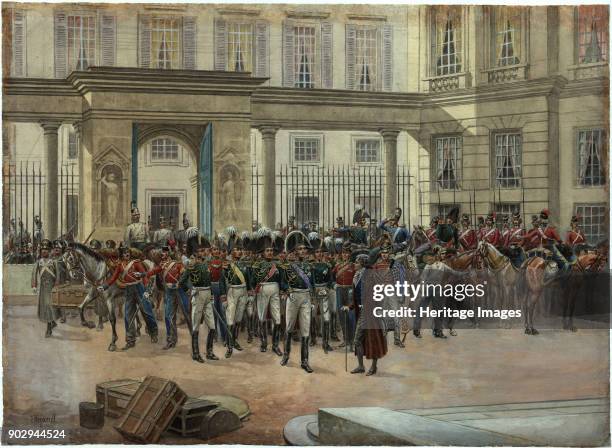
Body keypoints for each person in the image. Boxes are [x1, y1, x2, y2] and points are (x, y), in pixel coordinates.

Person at [99, 246, 158, 350]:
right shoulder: (120, 266)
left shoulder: (136, 263)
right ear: (121, 255)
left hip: (139, 288)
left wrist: (147, 291)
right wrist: (104, 286)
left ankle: (153, 333)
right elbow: (113, 278)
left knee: (147, 311)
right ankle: (130, 340)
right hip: (129, 290)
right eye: (125, 253)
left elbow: (144, 276)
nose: (127, 254)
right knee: (128, 316)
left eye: (128, 252)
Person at [280, 230, 315, 373]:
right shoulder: (287, 266)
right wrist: (287, 289)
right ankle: (286, 355)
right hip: (293, 297)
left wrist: (312, 298)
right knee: (289, 326)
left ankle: (304, 360)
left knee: (305, 329)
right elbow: (282, 282)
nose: (302, 251)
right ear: (294, 251)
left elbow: (311, 283)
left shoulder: (309, 266)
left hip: (306, 297)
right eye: (299, 249)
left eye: (304, 249)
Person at [179, 239, 219, 363]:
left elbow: (209, 282)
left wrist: (211, 294)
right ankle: (196, 353)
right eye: (200, 251)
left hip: (207, 295)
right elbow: (182, 282)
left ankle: (209, 352)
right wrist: (189, 291)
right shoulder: (191, 265)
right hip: (198, 295)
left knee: (212, 326)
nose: (203, 253)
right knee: (196, 326)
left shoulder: (207, 264)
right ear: (196, 253)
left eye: (203, 250)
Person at [351, 247, 388, 376]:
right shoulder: (357, 276)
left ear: (362, 263)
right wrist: (350, 306)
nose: (354, 264)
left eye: (356, 262)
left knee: (373, 339)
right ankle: (361, 366)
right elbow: (356, 296)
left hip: (371, 312)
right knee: (358, 341)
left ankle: (373, 366)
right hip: (362, 311)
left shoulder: (371, 274)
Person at [147, 245, 192, 350]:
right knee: (169, 316)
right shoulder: (161, 265)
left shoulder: (177, 264)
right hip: (169, 293)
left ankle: (193, 337)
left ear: (168, 253)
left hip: (179, 291)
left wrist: (180, 284)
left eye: (165, 252)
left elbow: (185, 276)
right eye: (162, 253)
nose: (163, 254)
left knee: (186, 314)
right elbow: (152, 272)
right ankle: (171, 340)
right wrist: (142, 274)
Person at [250, 229, 283, 355]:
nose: (270, 253)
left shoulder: (277, 264)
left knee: (277, 319)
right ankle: (264, 342)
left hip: (275, 289)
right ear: (263, 252)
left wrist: (283, 289)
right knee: (262, 317)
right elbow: (253, 280)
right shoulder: (258, 264)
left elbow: (281, 279)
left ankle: (275, 345)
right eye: (267, 251)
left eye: (271, 251)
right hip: (262, 290)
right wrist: (254, 288)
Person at [220, 240, 250, 358]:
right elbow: (222, 281)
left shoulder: (245, 265)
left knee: (238, 319)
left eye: (240, 249)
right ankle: (229, 346)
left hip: (243, 292)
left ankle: (234, 340)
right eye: (236, 250)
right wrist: (223, 297)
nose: (239, 252)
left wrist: (250, 294)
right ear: (231, 252)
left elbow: (248, 279)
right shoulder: (227, 265)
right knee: (230, 319)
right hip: (232, 291)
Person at [32, 239, 63, 337]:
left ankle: (49, 328)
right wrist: (34, 285)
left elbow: (58, 275)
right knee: (45, 307)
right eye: (42, 250)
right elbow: (34, 274)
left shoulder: (54, 262)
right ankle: (50, 324)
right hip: (43, 288)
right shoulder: (38, 262)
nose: (44, 251)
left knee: (51, 307)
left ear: (50, 251)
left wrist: (57, 285)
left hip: (52, 288)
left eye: (46, 250)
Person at [309, 232, 333, 353]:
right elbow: (310, 281)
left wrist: (327, 288)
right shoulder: (311, 266)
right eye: (317, 252)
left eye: (321, 252)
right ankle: (313, 339)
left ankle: (326, 342)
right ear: (314, 254)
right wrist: (312, 292)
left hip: (324, 291)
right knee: (312, 315)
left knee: (326, 317)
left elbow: (330, 280)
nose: (319, 254)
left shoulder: (327, 265)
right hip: (314, 293)